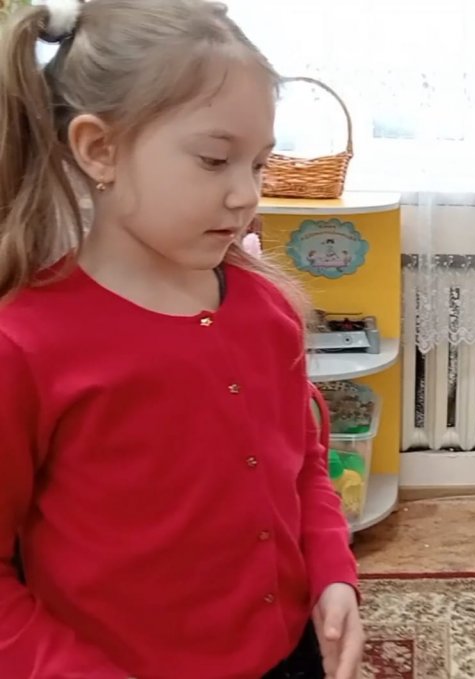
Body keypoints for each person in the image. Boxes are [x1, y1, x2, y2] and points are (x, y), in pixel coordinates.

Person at [0, 1, 363, 677]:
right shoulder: (24, 344)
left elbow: (304, 463)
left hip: (291, 654)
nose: (245, 195)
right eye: (214, 160)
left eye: (258, 165)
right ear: (99, 149)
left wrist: (332, 571)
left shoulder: (267, 310)